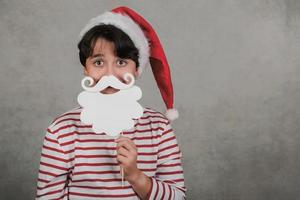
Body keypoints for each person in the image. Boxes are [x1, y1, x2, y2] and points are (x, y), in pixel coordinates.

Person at [35, 6, 186, 200]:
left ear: (137, 69)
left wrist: (136, 176)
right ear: (85, 69)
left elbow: (178, 197)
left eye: (121, 62)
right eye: (98, 62)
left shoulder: (159, 128)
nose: (109, 74)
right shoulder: (61, 131)